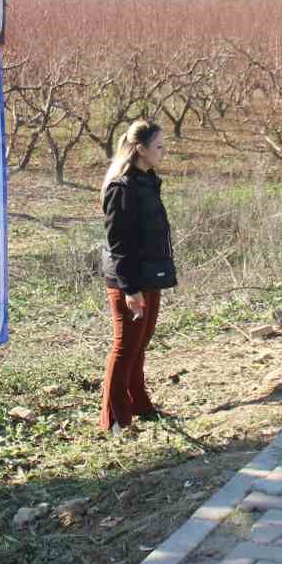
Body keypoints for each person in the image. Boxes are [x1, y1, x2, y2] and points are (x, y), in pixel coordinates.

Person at [99, 120, 175, 432]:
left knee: (141, 342)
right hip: (128, 279)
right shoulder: (122, 187)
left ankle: (140, 404)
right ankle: (115, 419)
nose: (164, 151)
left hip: (149, 274)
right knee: (125, 345)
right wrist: (130, 290)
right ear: (140, 149)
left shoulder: (148, 180)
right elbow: (118, 245)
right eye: (159, 146)